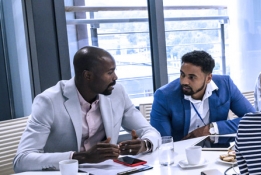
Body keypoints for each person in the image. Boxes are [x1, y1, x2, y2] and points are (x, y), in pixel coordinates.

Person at [14, 46, 160, 172]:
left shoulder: (117, 92)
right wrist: (82, 157)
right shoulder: (49, 101)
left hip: (109, 171)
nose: (115, 77)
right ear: (88, 76)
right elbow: (22, 160)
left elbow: (150, 131)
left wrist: (144, 144)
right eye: (110, 72)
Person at [151, 51, 256, 141]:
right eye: (182, 74)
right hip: (182, 156)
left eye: (192, 77)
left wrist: (211, 129)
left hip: (218, 152)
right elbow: (163, 141)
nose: (184, 81)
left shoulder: (225, 85)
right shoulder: (164, 96)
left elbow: (254, 119)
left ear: (208, 78)